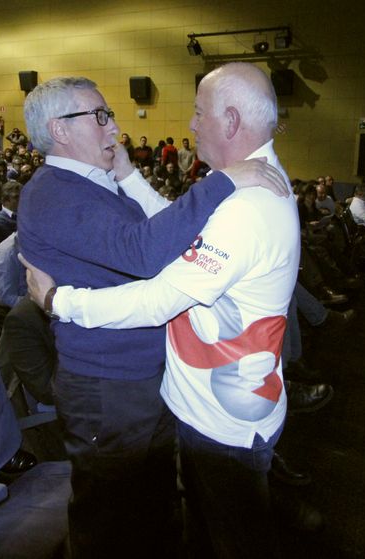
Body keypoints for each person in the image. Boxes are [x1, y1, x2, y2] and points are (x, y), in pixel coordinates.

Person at [17, 70, 291, 558]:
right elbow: (145, 253)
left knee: (149, 509)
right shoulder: (53, 191)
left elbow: (163, 234)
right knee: (108, 518)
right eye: (99, 116)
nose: (113, 128)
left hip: (142, 380)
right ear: (59, 129)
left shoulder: (96, 184)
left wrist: (128, 176)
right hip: (107, 384)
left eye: (110, 116)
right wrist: (222, 182)